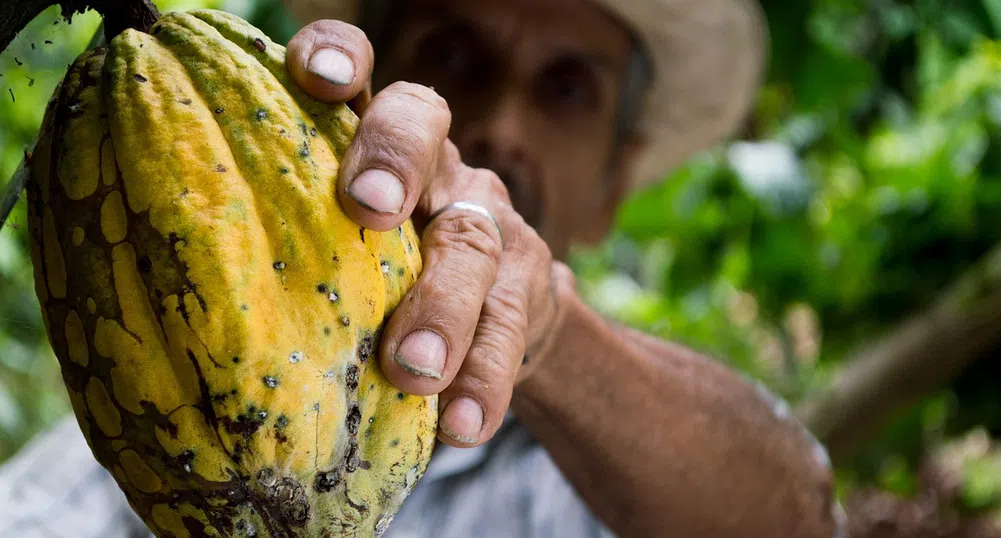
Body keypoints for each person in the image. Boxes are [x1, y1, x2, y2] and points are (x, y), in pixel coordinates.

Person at [0, 0, 846, 537]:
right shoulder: (158, 411)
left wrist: (546, 334)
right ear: (345, 93)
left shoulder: (610, 472)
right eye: (454, 54)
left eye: (565, 90)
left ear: (613, 185)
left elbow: (794, 517)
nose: (502, 125)